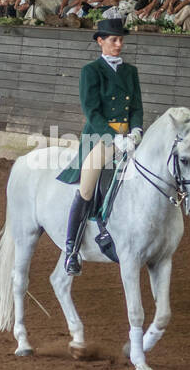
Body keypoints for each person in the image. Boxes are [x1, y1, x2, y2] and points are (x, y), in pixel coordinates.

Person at [58, 17, 144, 275]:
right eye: (113, 40)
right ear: (100, 41)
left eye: (120, 40)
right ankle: (71, 249)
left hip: (128, 136)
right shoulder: (91, 71)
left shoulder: (130, 71)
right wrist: (113, 136)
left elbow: (137, 106)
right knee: (87, 187)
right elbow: (91, 111)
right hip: (101, 136)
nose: (118, 44)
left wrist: (137, 130)